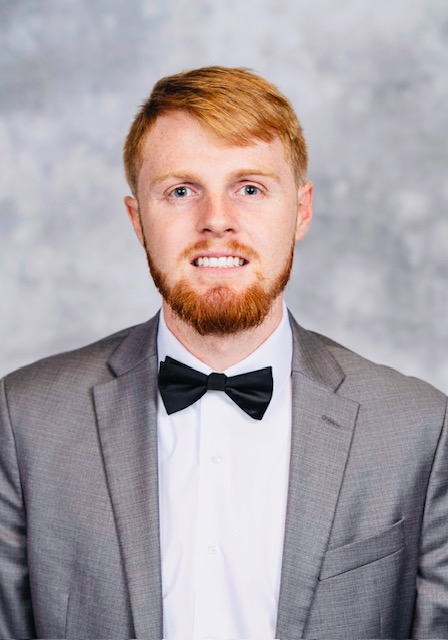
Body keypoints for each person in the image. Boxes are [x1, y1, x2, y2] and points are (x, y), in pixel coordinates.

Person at [0, 66, 447, 640]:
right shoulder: (24, 420)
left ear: (301, 212)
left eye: (250, 189)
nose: (216, 221)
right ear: (138, 220)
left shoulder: (419, 429)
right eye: (181, 191)